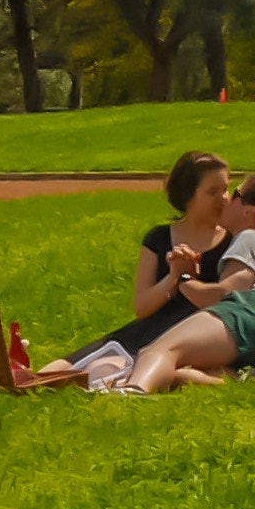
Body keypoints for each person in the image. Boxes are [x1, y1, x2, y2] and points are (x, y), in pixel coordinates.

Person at [38, 151, 231, 376]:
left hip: (196, 333)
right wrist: (173, 277)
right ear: (188, 195)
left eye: (226, 189)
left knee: (108, 368)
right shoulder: (158, 239)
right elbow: (142, 307)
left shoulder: (235, 240)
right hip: (152, 326)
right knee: (88, 355)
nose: (223, 199)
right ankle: (28, 381)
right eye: (212, 192)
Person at [114, 172, 255, 394]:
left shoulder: (251, 237)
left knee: (158, 351)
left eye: (235, 194)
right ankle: (248, 382)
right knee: (180, 374)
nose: (226, 198)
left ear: (249, 210)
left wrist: (182, 277)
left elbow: (228, 293)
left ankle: (133, 393)